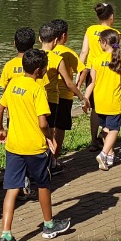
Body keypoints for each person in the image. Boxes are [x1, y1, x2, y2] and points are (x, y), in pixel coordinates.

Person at [0, 49, 72, 241]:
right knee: (43, 185)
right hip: (35, 147)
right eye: (45, 67)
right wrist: (50, 137)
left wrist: (0, 129)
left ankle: (5, 235)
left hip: (14, 146)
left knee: (12, 189)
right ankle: (49, 225)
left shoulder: (13, 84)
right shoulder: (38, 89)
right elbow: (43, 122)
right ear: (39, 70)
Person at [89, 29, 121, 170]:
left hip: (99, 102)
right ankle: (104, 153)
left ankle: (110, 155)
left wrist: (86, 97)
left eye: (99, 41)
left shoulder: (96, 60)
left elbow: (92, 82)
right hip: (113, 102)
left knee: (106, 128)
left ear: (105, 43)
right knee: (114, 129)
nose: (99, 43)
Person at [42, 21, 84, 163]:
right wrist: (79, 90)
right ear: (64, 36)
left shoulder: (38, 54)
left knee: (46, 127)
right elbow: (82, 70)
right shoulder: (67, 53)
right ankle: (54, 158)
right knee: (59, 128)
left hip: (44, 96)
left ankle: (46, 159)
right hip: (64, 95)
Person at [79, 3, 117, 150]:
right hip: (108, 72)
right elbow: (115, 54)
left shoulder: (90, 30)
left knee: (94, 107)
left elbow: (83, 53)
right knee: (109, 104)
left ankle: (94, 141)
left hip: (91, 72)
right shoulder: (114, 32)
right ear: (111, 17)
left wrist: (79, 72)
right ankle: (106, 133)